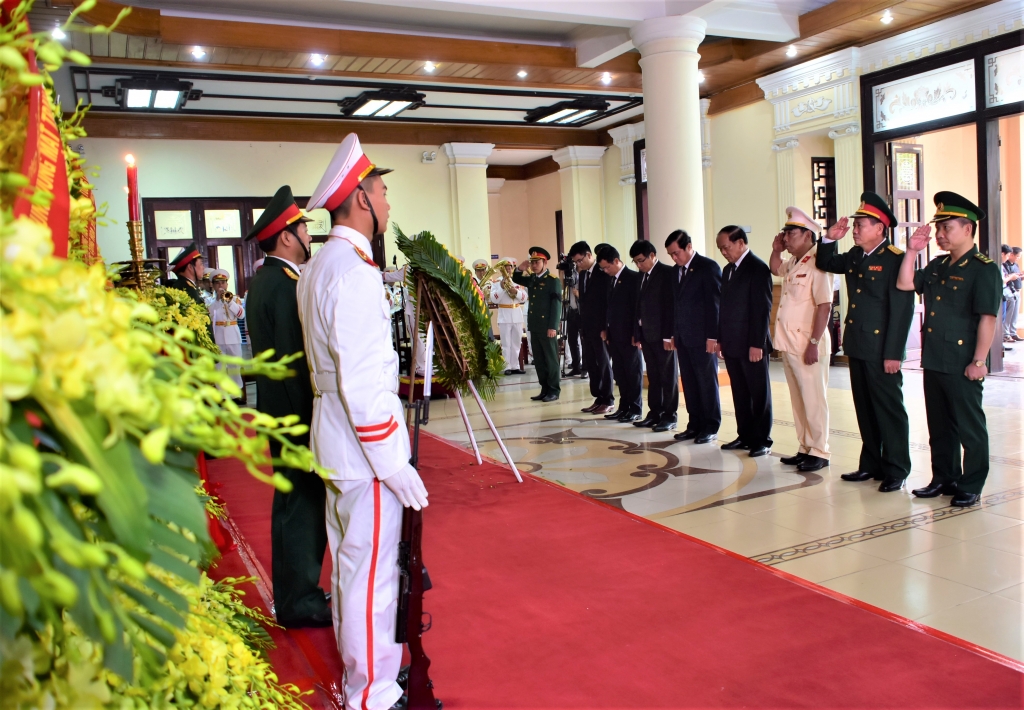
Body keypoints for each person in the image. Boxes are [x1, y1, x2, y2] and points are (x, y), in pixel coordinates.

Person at [296, 133, 429, 710]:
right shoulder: (350, 272)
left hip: (334, 435)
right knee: (373, 577)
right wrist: (393, 462)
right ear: (360, 199)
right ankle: (372, 694)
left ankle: (365, 676)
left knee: (351, 565)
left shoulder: (320, 264)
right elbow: (363, 383)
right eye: (382, 191)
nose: (389, 204)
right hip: (361, 444)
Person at [242, 185, 330, 629]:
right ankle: (300, 601)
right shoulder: (285, 285)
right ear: (286, 236)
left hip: (278, 415)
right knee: (301, 509)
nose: (308, 236)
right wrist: (315, 423)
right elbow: (297, 364)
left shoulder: (265, 281)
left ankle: (296, 593)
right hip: (295, 418)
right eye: (302, 229)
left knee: (292, 505)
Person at [897, 192, 1002, 508]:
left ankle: (971, 484)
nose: (940, 235)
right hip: (935, 359)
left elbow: (988, 317)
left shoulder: (983, 269)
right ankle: (944, 477)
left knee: (970, 427)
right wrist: (911, 251)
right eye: (938, 228)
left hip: (963, 361)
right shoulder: (937, 265)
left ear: (967, 228)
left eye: (947, 228)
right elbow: (904, 284)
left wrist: (979, 360)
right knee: (940, 425)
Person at [817, 192, 915, 492]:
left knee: (889, 409)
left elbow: (901, 312)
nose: (855, 229)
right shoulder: (857, 256)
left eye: (861, 224)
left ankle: (896, 468)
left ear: (880, 229)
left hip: (882, 348)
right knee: (865, 408)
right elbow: (827, 262)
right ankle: (871, 464)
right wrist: (829, 238)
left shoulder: (895, 259)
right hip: (858, 345)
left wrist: (894, 353)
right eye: (856, 224)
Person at [769, 208, 833, 473]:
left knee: (814, 398)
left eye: (790, 233)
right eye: (784, 232)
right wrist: (775, 249)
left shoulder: (819, 261)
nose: (786, 237)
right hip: (790, 343)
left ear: (808, 234)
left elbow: (824, 306)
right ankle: (805, 446)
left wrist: (814, 344)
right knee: (798, 398)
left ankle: (820, 450)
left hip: (808, 343)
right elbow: (775, 268)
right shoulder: (796, 261)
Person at [716, 226, 773, 458]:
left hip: (752, 344)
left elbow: (762, 309)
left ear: (740, 243)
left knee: (759, 393)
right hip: (732, 343)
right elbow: (724, 308)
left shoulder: (757, 268)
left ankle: (762, 439)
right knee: (740, 392)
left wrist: (757, 344)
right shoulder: (727, 270)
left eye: (726, 247)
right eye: (720, 249)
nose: (724, 252)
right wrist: (720, 339)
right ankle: (745, 434)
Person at [665, 230, 721, 444]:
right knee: (689, 382)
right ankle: (694, 424)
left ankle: (710, 425)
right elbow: (674, 306)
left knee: (706, 382)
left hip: (703, 338)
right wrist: (672, 334)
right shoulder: (674, 272)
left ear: (689, 246)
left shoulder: (708, 267)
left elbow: (714, 305)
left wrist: (713, 336)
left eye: (676, 253)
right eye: (670, 254)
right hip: (683, 337)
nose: (674, 258)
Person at [629, 240, 678, 432]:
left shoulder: (667, 273)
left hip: (663, 336)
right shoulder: (641, 276)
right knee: (654, 376)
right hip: (647, 335)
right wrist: (637, 333)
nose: (639, 265)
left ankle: (670, 415)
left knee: (668, 376)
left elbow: (670, 308)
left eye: (641, 260)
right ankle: (654, 412)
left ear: (652, 255)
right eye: (636, 262)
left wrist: (669, 335)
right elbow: (637, 307)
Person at [597, 245, 643, 422]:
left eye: (607, 267)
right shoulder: (611, 279)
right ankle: (624, 407)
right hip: (614, 335)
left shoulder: (633, 278)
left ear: (616, 261)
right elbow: (608, 308)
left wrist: (636, 334)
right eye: (603, 268)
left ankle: (635, 408)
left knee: (633, 373)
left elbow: (636, 309)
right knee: (620, 373)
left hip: (629, 336)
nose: (606, 271)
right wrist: (606, 330)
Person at [569, 241, 615, 414]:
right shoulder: (582, 275)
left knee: (603, 363)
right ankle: (598, 397)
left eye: (580, 260)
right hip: (587, 327)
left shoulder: (602, 273)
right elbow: (584, 302)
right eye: (576, 263)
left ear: (589, 255)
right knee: (591, 364)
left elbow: (606, 303)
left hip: (600, 328)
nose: (578, 265)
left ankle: (608, 399)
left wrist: (605, 327)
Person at [512, 247, 563, 402]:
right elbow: (516, 279)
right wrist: (520, 268)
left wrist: (553, 326)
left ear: (545, 262)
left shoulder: (552, 280)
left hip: (547, 327)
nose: (534, 265)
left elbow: (556, 305)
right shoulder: (533, 279)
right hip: (534, 326)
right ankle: (544, 389)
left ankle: (554, 390)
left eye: (537, 262)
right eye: (532, 262)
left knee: (551, 360)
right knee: (539, 361)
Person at [166, 242, 215, 343]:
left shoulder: (188, 286)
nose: (203, 268)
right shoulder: (186, 289)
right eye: (201, 264)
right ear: (190, 267)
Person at [207, 268, 246, 397]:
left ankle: (236, 393)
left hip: (233, 336)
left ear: (227, 284)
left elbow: (241, 315)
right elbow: (210, 316)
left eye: (223, 283)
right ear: (212, 285)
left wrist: (229, 302)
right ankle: (222, 394)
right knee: (220, 367)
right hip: (218, 337)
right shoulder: (210, 302)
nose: (220, 286)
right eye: (217, 283)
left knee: (235, 366)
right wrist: (218, 301)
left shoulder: (234, 299)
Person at [490, 257, 527, 374]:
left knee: (516, 342)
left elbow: (525, 297)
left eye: (510, 267)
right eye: (505, 268)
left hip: (517, 314)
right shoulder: (496, 283)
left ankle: (515, 365)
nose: (508, 270)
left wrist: (516, 292)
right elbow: (494, 299)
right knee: (506, 343)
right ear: (502, 270)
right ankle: (507, 367)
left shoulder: (517, 281)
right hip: (504, 316)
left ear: (512, 268)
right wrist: (502, 287)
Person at [1002, 244, 1021, 343]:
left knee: (1013, 315)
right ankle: (1006, 334)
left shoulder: (1015, 265)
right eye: (1017, 256)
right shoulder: (1004, 264)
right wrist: (1012, 277)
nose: (1008, 257)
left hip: (1013, 292)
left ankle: (1011, 333)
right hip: (1006, 292)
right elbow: (1004, 280)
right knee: (1004, 317)